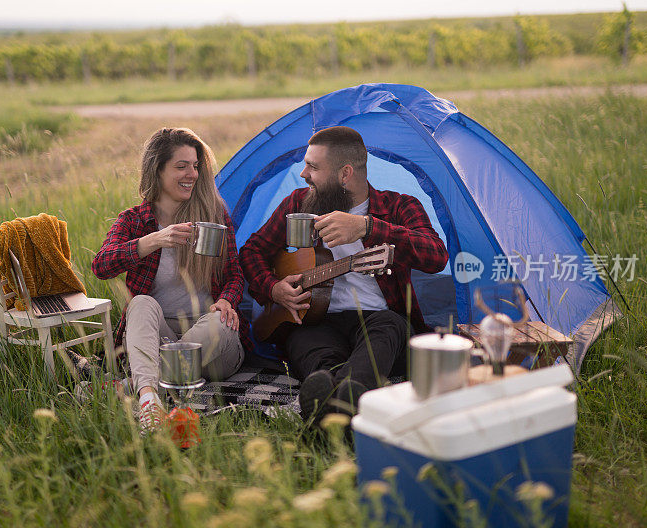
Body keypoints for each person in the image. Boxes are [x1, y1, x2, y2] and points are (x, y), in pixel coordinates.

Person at [239, 126, 448, 424]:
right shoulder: (299, 205)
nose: (303, 174)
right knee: (303, 343)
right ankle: (346, 406)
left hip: (379, 319)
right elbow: (251, 251)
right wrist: (273, 289)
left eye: (313, 166)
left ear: (345, 174)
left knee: (390, 327)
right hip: (315, 322)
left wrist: (369, 227)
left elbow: (436, 255)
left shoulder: (400, 206)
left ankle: (327, 409)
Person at [92, 127, 248, 433]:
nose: (192, 173)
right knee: (140, 303)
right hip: (159, 336)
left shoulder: (213, 215)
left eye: (195, 166)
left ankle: (139, 383)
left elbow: (234, 274)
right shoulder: (134, 220)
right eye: (181, 166)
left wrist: (227, 299)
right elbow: (101, 265)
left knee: (219, 320)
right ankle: (151, 405)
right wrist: (153, 241)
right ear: (157, 170)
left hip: (211, 344)